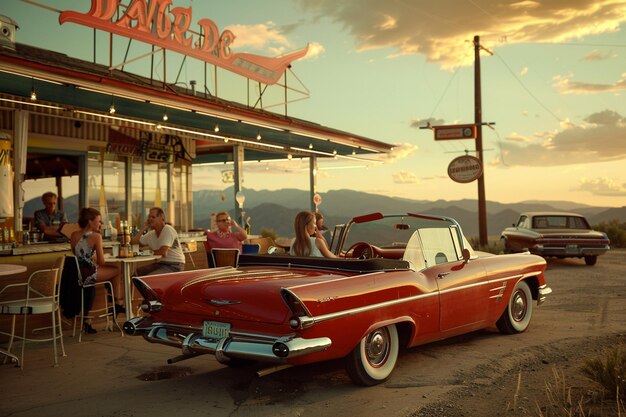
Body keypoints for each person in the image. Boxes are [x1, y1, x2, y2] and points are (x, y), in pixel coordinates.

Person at [70, 207, 124, 334]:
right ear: (90, 221)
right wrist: (104, 257)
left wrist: (92, 257)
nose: (101, 224)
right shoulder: (96, 236)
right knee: (117, 270)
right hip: (88, 274)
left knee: (109, 275)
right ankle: (117, 304)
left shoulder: (74, 235)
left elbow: (79, 255)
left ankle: (112, 306)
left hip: (76, 274)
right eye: (99, 221)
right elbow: (101, 262)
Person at [131, 207, 185, 276]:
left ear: (162, 219)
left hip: (174, 265)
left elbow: (163, 252)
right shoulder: (151, 234)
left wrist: (147, 252)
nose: (150, 219)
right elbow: (133, 243)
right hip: (160, 264)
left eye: (153, 217)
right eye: (149, 217)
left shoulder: (168, 229)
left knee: (149, 279)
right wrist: (143, 228)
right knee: (136, 275)